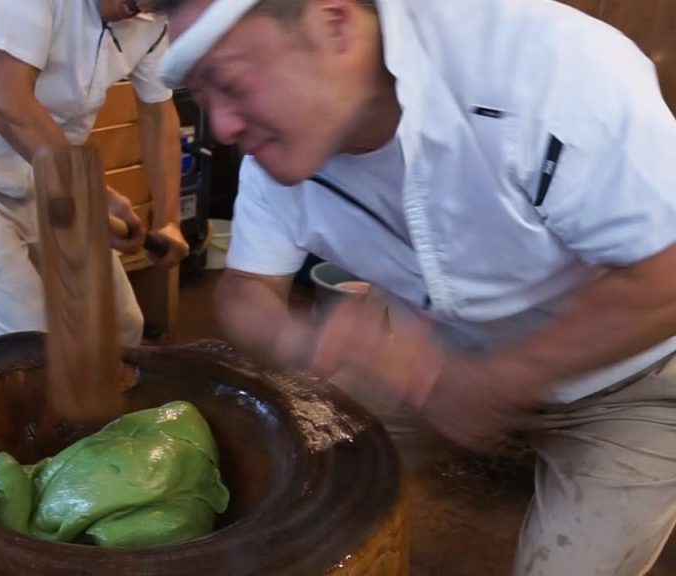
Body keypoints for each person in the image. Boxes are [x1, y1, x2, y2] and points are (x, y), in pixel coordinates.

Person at [151, 0, 676, 574]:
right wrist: (299, 339)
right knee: (299, 503)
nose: (222, 127)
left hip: (631, 375)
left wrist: (496, 383)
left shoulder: (551, 67)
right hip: (429, 356)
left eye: (231, 83)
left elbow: (664, 275)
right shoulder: (279, 152)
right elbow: (246, 288)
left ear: (335, 25)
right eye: (203, 98)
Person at [0, 0, 189, 346]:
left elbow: (158, 114)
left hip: (46, 181)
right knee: (29, 352)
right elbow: (11, 107)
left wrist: (168, 220)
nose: (140, 7)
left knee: (120, 327)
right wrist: (90, 195)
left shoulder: (152, 12)